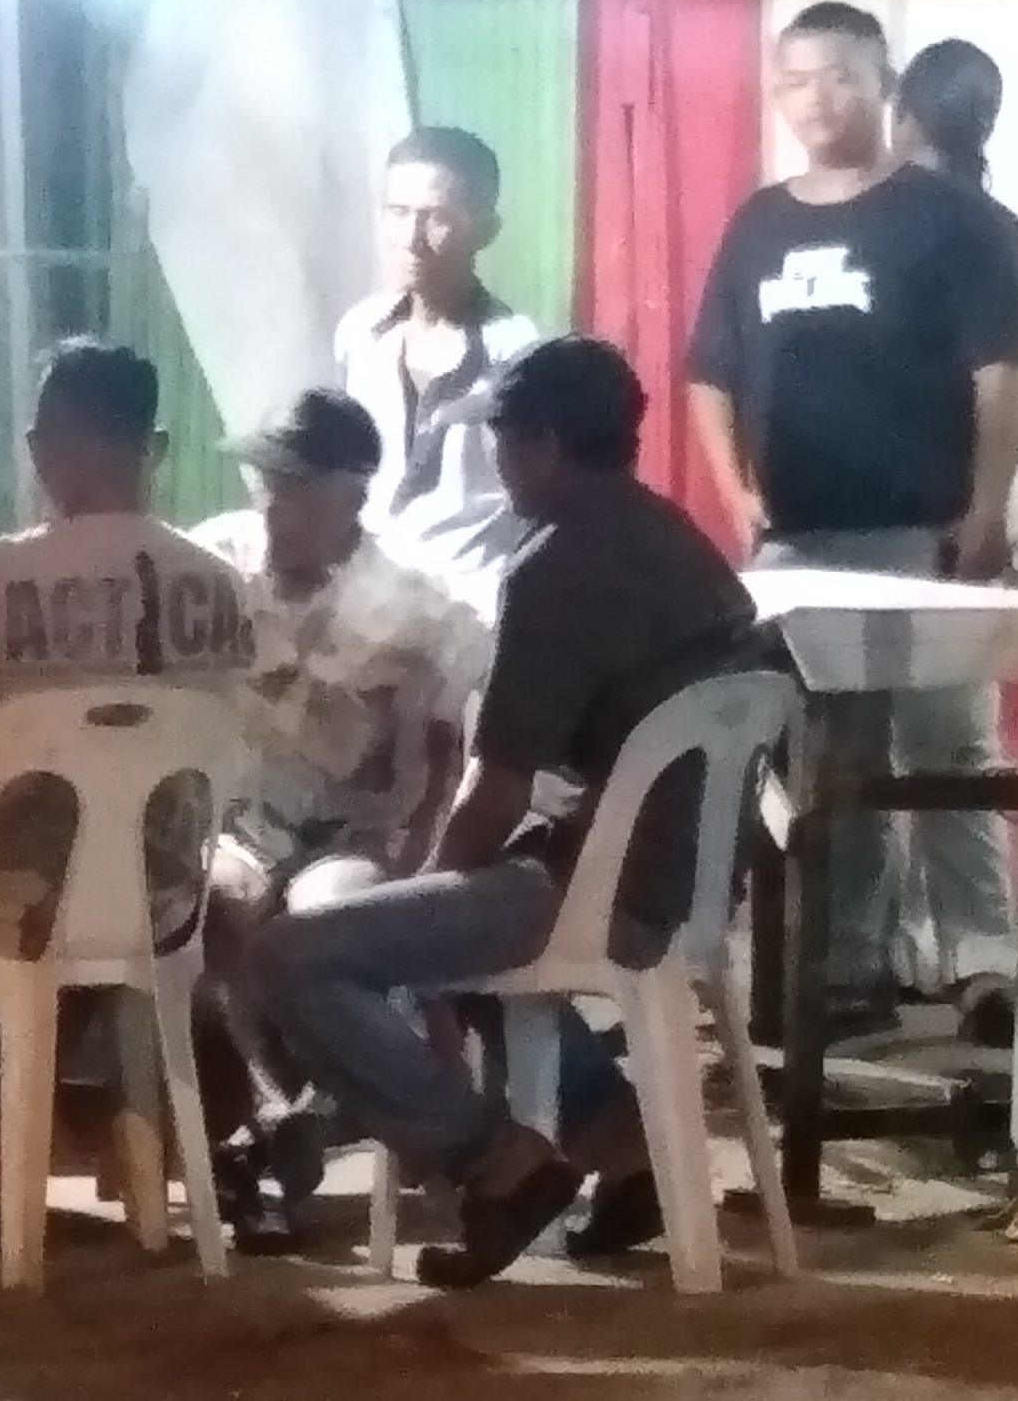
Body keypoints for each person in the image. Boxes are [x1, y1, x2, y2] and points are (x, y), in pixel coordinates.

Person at [253, 336, 767, 1288]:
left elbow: (498, 791)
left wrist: (424, 900)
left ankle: (496, 1161)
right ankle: (620, 1144)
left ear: (543, 444)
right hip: (694, 882)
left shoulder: (554, 567)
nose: (495, 463)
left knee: (290, 954)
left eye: (502, 441)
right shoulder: (683, 541)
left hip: (605, 889)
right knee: (454, 923)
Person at [688, 2, 1018, 1040]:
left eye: (840, 75)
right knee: (829, 764)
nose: (817, 98)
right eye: (796, 79)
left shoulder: (945, 219)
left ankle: (983, 963)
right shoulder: (758, 224)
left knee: (949, 750)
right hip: (798, 545)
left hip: (921, 535)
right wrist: (739, 498)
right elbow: (709, 373)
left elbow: (1000, 377)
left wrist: (983, 510)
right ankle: (849, 966)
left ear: (883, 84)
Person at [0, 336, 252, 1246]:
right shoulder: (223, 583)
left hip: (7, 904)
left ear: (42, 448)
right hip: (164, 901)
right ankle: (111, 1123)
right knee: (98, 947)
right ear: (157, 448)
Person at [184, 387, 489, 1249]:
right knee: (223, 898)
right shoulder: (215, 565)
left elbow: (450, 754)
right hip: (234, 825)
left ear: (349, 494)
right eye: (265, 481)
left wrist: (427, 857)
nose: (269, 503)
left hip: (356, 837)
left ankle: (301, 1127)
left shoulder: (421, 609)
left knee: (328, 920)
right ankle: (281, 1117)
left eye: (291, 486)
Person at [888, 36, 1018, 1043]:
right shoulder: (1003, 231)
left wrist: (978, 519)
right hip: (974, 504)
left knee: (898, 744)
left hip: (940, 510)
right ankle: (968, 955)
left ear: (902, 114)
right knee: (951, 745)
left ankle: (954, 956)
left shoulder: (906, 225)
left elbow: (999, 396)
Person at [333, 127, 544, 622]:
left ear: (486, 230)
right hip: (366, 604)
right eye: (398, 213)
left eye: (437, 218)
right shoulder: (359, 333)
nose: (412, 240)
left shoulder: (517, 352)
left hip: (470, 612)